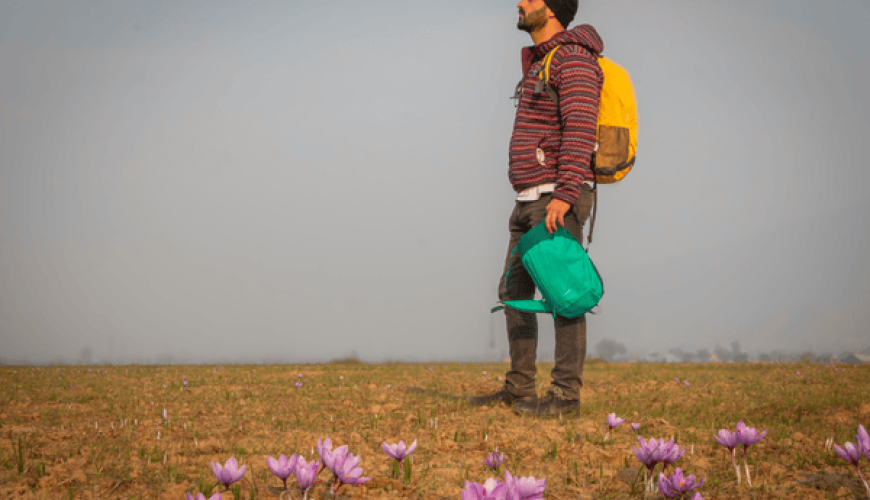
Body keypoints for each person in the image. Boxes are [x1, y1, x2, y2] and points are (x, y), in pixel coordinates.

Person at [469, 0, 603, 417]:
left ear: (552, 7)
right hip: (528, 197)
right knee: (514, 293)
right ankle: (520, 388)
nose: (520, 3)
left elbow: (581, 127)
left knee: (565, 294)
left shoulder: (573, 58)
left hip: (555, 198)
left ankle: (565, 397)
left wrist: (565, 193)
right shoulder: (541, 61)